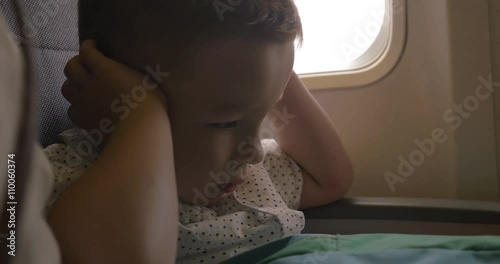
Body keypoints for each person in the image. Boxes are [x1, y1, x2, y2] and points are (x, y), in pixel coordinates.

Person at [46, 1, 354, 263]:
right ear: (113, 99)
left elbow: (330, 179)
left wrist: (267, 77)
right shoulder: (63, 180)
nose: (256, 150)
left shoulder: (247, 180)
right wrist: (141, 115)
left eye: (263, 116)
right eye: (225, 123)